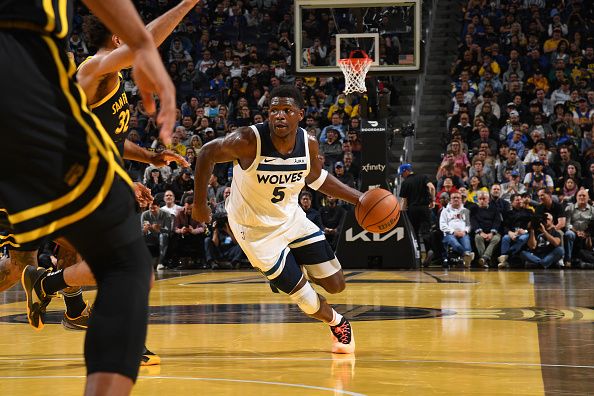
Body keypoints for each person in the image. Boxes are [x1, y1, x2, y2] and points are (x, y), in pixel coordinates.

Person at [0, 0, 176, 394]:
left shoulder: (109, 82)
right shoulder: (96, 68)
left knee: (94, 258)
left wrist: (147, 156)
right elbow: (142, 39)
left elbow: (108, 138)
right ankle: (53, 290)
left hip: (44, 148)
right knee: (118, 263)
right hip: (38, 147)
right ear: (116, 35)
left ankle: (68, 303)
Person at [192, 85, 361, 354]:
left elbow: (316, 179)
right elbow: (206, 153)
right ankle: (338, 322)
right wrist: (198, 203)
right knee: (306, 300)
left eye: (286, 110)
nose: (279, 116)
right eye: (273, 110)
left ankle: (292, 266)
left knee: (336, 284)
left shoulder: (309, 143)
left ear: (300, 114)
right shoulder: (248, 140)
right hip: (254, 231)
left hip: (291, 219)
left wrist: (360, 199)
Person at [398, 163, 436, 260]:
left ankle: (417, 255)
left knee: (414, 232)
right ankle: (429, 251)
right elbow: (431, 187)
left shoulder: (405, 183)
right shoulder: (423, 177)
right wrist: (432, 200)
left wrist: (401, 213)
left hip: (412, 210)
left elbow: (404, 201)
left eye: (402, 175)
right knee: (426, 231)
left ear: (406, 171)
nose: (402, 177)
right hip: (424, 208)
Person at [439, 191, 474, 268]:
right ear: (450, 200)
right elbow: (442, 225)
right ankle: (467, 255)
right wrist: (453, 232)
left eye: (458, 198)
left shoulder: (465, 211)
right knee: (456, 245)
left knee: (467, 246)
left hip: (463, 233)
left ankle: (466, 257)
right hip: (450, 234)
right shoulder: (445, 211)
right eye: (453, 198)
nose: (456, 199)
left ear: (461, 200)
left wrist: (464, 231)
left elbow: (468, 225)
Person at [470, 191, 502, 268]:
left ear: (488, 200)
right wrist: (480, 232)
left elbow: (497, 221)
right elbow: (473, 222)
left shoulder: (494, 209)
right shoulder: (474, 209)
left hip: (493, 232)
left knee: (496, 238)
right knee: (478, 237)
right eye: (480, 199)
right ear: (477, 199)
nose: (482, 201)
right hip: (480, 232)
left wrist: (492, 233)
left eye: (484, 199)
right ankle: (485, 261)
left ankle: (484, 258)